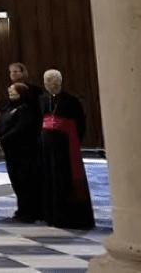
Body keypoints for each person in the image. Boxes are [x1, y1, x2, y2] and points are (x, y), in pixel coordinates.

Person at [39, 69, 95, 230]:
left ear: (61, 81)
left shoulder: (71, 101)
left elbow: (80, 125)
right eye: (49, 80)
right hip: (48, 151)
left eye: (56, 80)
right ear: (45, 83)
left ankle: (69, 217)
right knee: (50, 181)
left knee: (67, 180)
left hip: (66, 150)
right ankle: (52, 216)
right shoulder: (43, 100)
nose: (53, 83)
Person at [0, 83, 42, 222]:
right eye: (10, 93)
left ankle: (31, 211)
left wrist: (4, 138)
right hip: (10, 150)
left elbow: (21, 127)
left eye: (14, 93)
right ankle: (22, 209)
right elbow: (1, 123)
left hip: (23, 150)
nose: (11, 95)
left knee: (25, 180)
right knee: (16, 181)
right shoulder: (8, 108)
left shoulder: (26, 109)